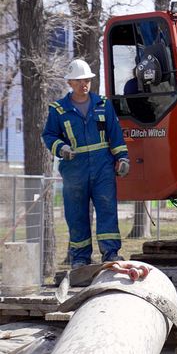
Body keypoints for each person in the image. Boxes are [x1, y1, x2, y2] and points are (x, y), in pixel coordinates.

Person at [42, 59, 130, 268]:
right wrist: (61, 148)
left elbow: (114, 134)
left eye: (87, 80)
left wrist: (122, 157)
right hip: (74, 170)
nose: (85, 84)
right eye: (80, 81)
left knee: (107, 209)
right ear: (70, 82)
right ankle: (80, 259)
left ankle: (110, 254)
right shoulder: (58, 110)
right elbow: (49, 135)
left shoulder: (103, 104)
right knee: (76, 214)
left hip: (102, 168)